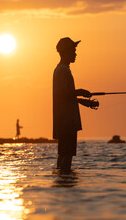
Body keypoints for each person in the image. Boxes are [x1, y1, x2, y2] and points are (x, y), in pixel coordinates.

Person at [53, 37, 99, 174]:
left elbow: (67, 96)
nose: (75, 54)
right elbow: (63, 95)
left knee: (63, 155)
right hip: (67, 121)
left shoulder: (62, 69)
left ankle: (62, 181)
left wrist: (86, 102)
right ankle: (65, 183)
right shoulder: (62, 70)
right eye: (73, 50)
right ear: (66, 52)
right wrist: (80, 91)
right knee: (66, 156)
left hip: (65, 121)